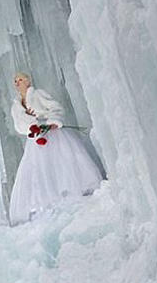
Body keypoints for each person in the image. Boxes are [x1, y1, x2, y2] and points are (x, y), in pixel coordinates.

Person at [9, 72, 103, 224]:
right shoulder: (16, 107)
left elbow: (56, 108)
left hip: (52, 134)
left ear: (27, 81)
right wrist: (30, 125)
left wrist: (52, 121)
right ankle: (46, 199)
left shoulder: (38, 94)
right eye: (15, 81)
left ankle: (74, 189)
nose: (18, 83)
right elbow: (18, 126)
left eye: (20, 79)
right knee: (40, 168)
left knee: (62, 159)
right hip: (36, 139)